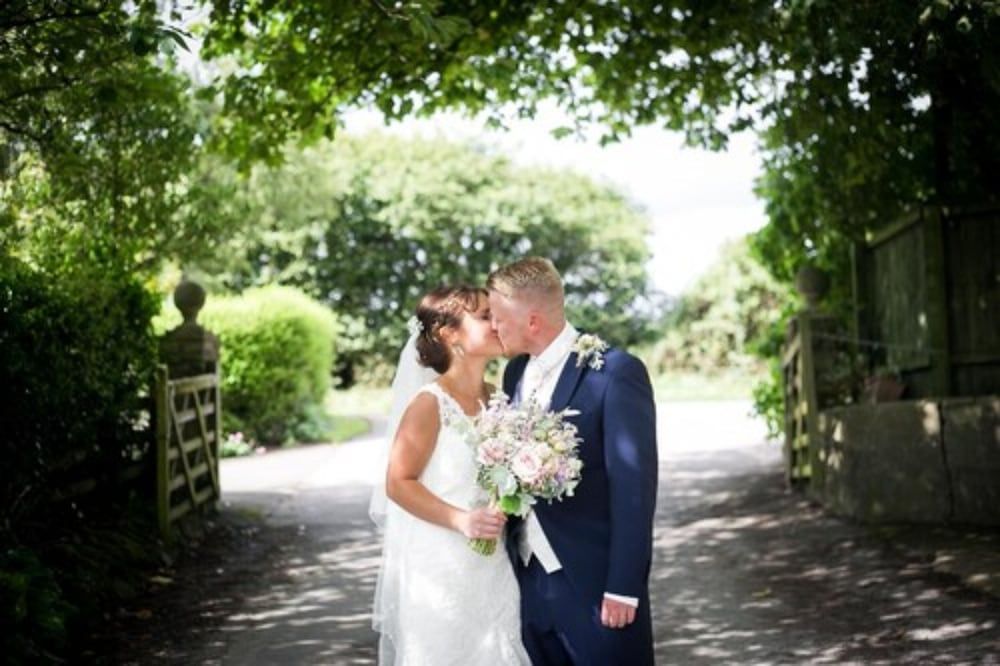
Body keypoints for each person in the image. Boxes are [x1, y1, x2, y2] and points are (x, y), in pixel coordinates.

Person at [488, 257, 659, 666]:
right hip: (529, 578)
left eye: (497, 317)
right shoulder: (513, 375)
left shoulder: (613, 372)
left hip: (594, 584)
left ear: (532, 321)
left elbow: (634, 490)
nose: (493, 326)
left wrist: (623, 586)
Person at [370, 285, 531, 665]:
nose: (496, 323)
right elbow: (398, 482)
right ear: (449, 333)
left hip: (492, 563)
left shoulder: (499, 398)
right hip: (441, 569)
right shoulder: (429, 404)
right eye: (484, 316)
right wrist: (461, 519)